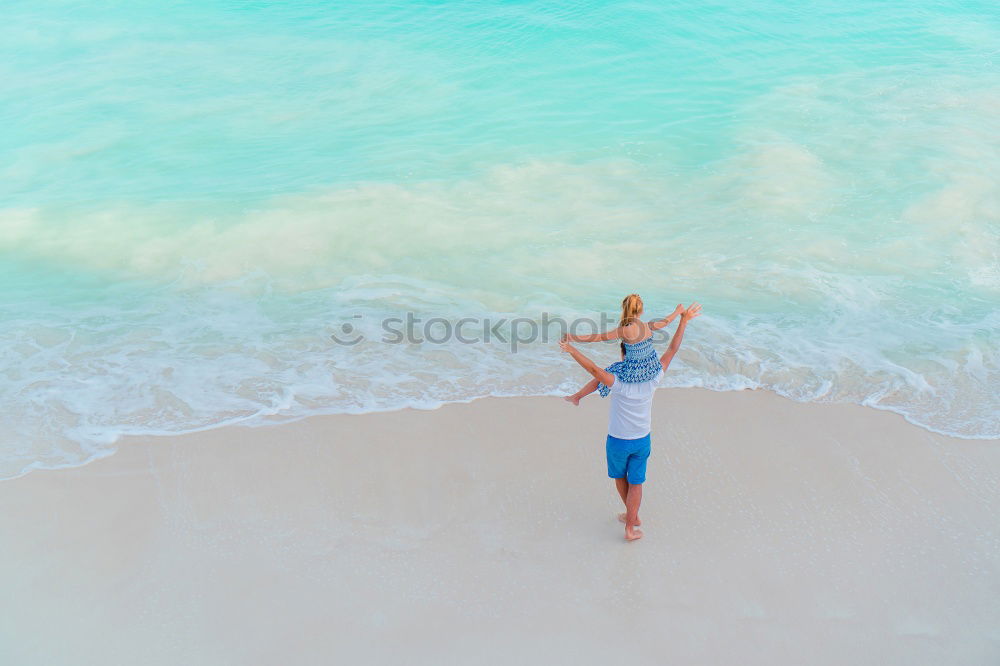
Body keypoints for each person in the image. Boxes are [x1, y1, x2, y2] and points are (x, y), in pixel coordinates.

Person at [560, 300, 702, 541]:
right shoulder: (654, 378)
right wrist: (683, 320)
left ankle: (631, 515)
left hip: (618, 441)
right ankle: (631, 524)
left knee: (620, 477)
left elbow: (595, 371)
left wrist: (572, 348)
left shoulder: (619, 382)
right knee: (636, 482)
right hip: (642, 440)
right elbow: (672, 349)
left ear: (624, 354)